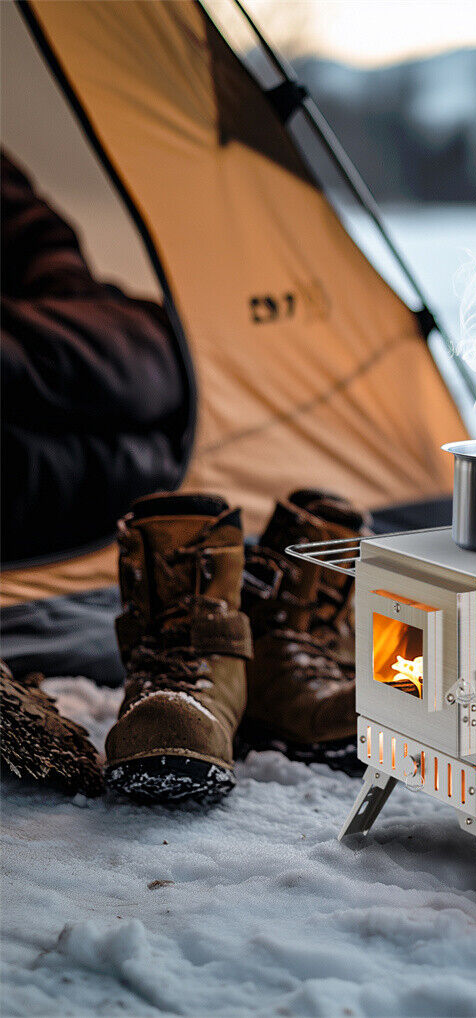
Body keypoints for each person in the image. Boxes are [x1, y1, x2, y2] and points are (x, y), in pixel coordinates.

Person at [1, 151, 367, 802]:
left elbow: (54, 262)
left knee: (171, 359)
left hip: (60, 375)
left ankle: (255, 647)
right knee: (144, 406)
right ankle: (199, 636)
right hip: (50, 406)